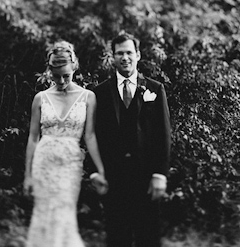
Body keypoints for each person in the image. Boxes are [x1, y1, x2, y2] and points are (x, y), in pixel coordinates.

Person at [24, 40, 108, 247]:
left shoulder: (88, 97)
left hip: (69, 164)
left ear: (75, 68)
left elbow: (89, 136)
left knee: (64, 213)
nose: (61, 81)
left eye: (66, 76)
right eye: (56, 76)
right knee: (43, 214)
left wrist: (101, 169)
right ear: (49, 71)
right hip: (43, 163)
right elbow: (33, 138)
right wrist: (27, 175)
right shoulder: (40, 98)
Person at [91, 32, 171, 247]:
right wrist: (94, 171)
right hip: (114, 180)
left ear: (137, 55)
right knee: (117, 238)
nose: (124, 57)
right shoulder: (99, 93)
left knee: (148, 237)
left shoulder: (155, 89)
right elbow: (93, 135)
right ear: (113, 57)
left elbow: (163, 135)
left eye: (128, 52)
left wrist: (160, 174)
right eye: (119, 53)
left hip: (146, 178)